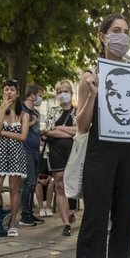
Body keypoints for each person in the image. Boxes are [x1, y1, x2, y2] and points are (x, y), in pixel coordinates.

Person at [76, 13, 130, 258]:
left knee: (126, 217)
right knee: (96, 216)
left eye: (126, 32)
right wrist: (93, 94)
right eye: (116, 30)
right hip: (100, 152)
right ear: (103, 37)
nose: (122, 37)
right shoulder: (90, 76)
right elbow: (81, 126)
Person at [0, 79, 31, 237]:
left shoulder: (23, 114)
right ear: (2, 92)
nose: (9, 92)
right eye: (6, 89)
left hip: (16, 153)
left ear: (18, 93)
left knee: (14, 190)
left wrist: (2, 133)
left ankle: (12, 223)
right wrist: (3, 108)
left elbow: (23, 136)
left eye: (12, 89)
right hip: (0, 152)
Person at [45, 79, 79, 235]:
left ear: (71, 92)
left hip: (74, 152)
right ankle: (66, 222)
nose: (62, 94)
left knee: (74, 184)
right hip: (56, 152)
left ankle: (72, 210)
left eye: (65, 91)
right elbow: (48, 132)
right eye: (59, 92)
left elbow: (80, 131)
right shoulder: (52, 111)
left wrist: (59, 128)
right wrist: (67, 130)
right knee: (59, 185)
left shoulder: (78, 110)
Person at [18, 84, 44, 227]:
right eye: (39, 95)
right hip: (25, 149)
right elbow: (20, 128)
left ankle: (29, 212)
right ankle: (25, 215)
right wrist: (32, 121)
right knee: (28, 181)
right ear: (32, 95)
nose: (40, 98)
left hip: (35, 150)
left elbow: (36, 132)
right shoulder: (21, 109)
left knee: (33, 182)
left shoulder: (37, 113)